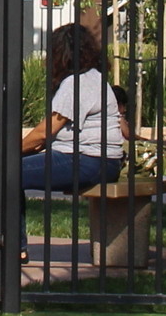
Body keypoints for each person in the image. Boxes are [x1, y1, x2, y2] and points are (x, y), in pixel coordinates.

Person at [19, 23, 124, 255]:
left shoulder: (76, 83)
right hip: (103, 161)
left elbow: (44, 132)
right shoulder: (93, 79)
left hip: (90, 161)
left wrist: (9, 152)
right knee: (10, 169)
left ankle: (11, 247)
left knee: (5, 173)